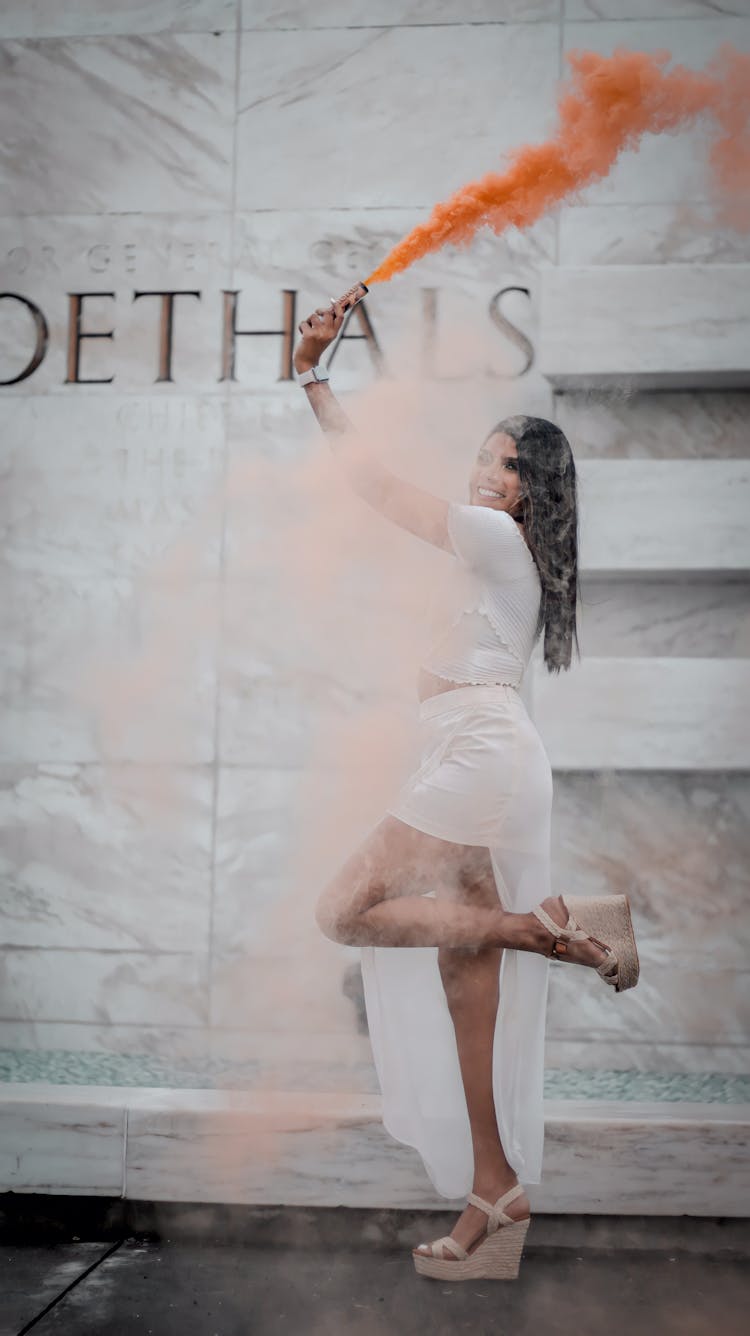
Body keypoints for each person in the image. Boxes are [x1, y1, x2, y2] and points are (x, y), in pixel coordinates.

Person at [292, 296, 640, 1282]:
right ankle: (495, 1189)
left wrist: (311, 373)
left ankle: (557, 928)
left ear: (526, 489)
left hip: (478, 757)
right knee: (460, 973)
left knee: (342, 910)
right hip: (474, 753)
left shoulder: (494, 537)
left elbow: (375, 488)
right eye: (481, 454)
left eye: (496, 460)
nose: (477, 471)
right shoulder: (500, 553)